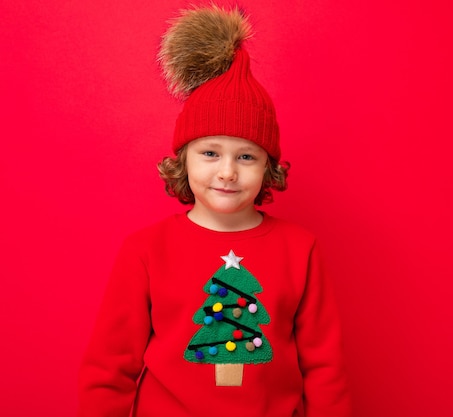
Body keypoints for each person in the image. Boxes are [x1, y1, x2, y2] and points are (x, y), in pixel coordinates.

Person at [77, 5, 351, 417]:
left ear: (268, 168)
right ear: (183, 160)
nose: (226, 172)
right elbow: (109, 369)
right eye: (210, 152)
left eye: (246, 156)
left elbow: (325, 369)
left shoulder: (301, 249)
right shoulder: (145, 250)